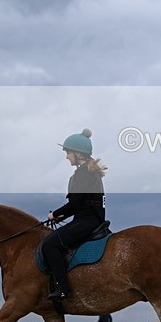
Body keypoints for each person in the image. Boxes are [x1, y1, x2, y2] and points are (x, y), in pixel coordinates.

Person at [42, 128, 107, 301]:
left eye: (68, 152)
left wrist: (54, 214)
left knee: (50, 245)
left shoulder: (83, 173)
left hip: (87, 221)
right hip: (91, 218)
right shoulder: (89, 172)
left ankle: (63, 288)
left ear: (78, 153)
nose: (66, 157)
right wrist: (63, 216)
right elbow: (81, 203)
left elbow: (75, 203)